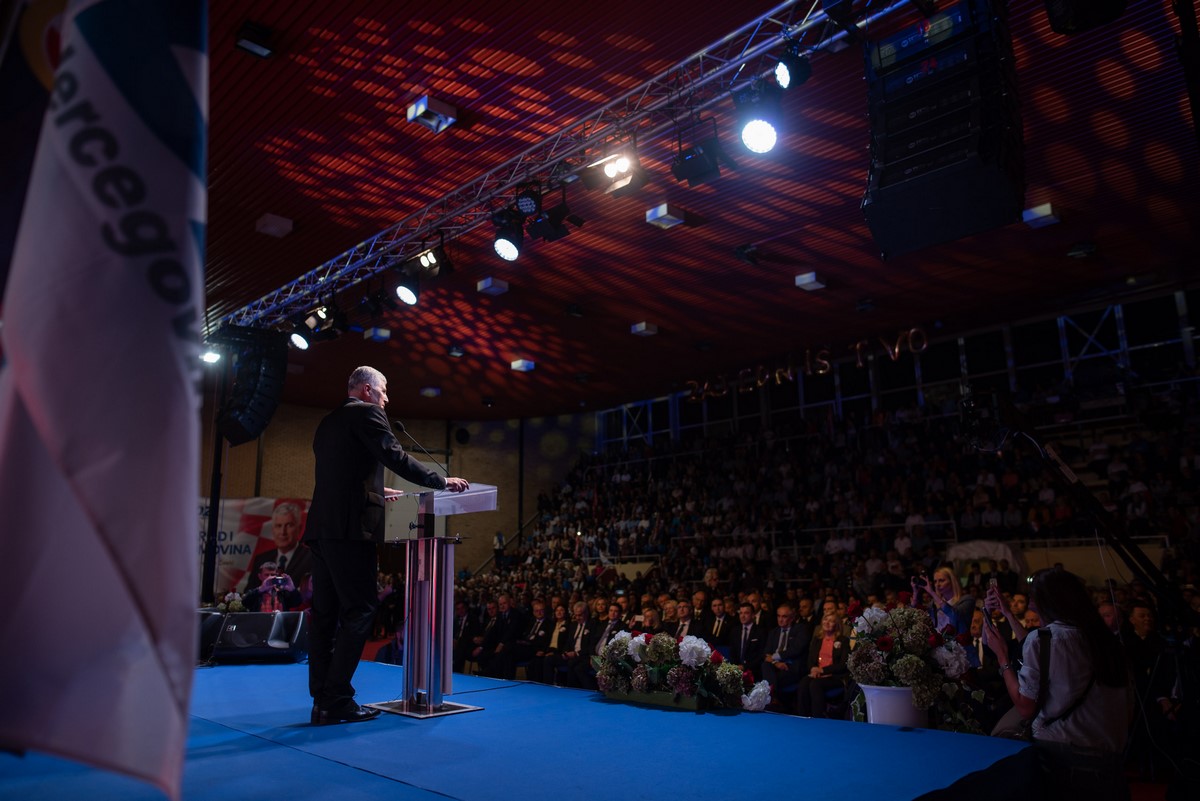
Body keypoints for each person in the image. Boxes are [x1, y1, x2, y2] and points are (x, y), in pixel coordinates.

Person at [304, 366, 469, 726]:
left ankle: (322, 700)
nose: (386, 398)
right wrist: (440, 480)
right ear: (366, 390)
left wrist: (378, 491)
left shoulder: (328, 421)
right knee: (361, 609)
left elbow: (343, 474)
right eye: (383, 391)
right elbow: (394, 456)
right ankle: (337, 699)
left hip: (321, 528)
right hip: (351, 530)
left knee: (326, 616)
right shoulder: (368, 413)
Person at [983, 568, 1131, 800]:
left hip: (1064, 755)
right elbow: (1046, 652)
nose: (1031, 603)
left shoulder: (1046, 640)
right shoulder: (1104, 639)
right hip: (1109, 755)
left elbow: (1025, 706)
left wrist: (1002, 658)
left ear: (1048, 601)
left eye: (1033, 597)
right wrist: (1009, 614)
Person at [244, 502, 313, 592]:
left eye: (289, 525)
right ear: (273, 530)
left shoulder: (311, 557)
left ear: (299, 529)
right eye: (278, 526)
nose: (282, 532)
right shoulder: (261, 560)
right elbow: (249, 593)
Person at [795, 612, 850, 718]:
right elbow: (810, 660)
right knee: (803, 683)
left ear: (837, 624)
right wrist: (813, 670)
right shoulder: (817, 639)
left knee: (815, 684)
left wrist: (823, 670)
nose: (827, 623)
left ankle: (818, 718)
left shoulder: (843, 641)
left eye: (831, 621)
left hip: (834, 676)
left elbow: (843, 664)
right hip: (817, 674)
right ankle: (803, 717)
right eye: (825, 619)